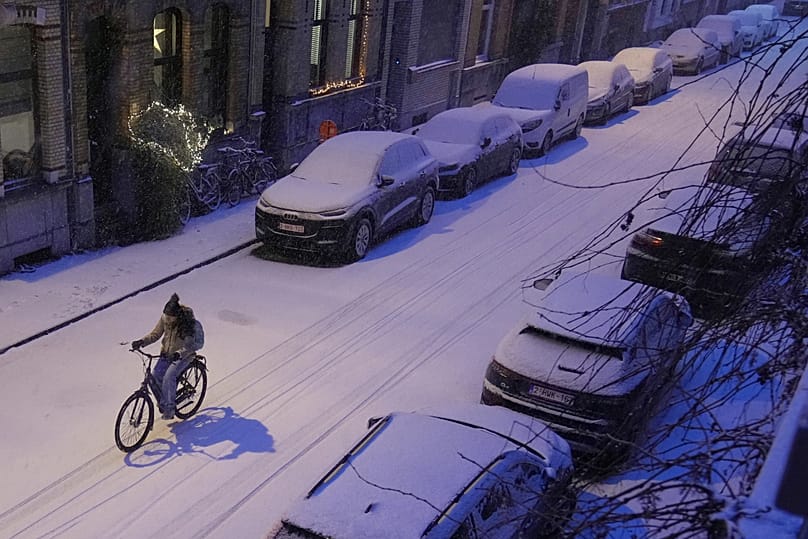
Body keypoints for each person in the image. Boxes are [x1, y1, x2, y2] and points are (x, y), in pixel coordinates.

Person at [131, 293, 204, 420]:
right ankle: (165, 400)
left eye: (171, 318)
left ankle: (169, 408)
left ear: (177, 316)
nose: (168, 320)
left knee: (169, 377)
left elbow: (189, 346)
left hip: (183, 356)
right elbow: (155, 334)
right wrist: (142, 342)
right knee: (155, 376)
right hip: (166, 354)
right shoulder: (165, 318)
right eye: (167, 317)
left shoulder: (187, 324)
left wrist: (179, 354)